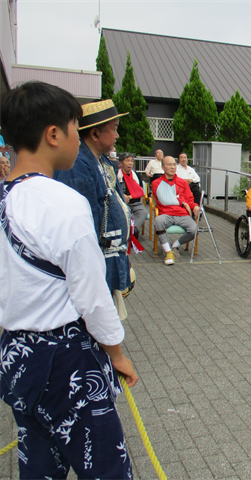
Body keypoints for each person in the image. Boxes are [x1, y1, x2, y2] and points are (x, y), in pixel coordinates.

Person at [0, 80, 137, 479]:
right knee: (107, 469)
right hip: (65, 361)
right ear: (53, 134)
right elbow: (91, 295)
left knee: (40, 464)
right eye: (76, 128)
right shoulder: (64, 203)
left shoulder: (6, 199)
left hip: (16, 357)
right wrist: (116, 353)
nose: (79, 138)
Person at [53, 99, 132, 313]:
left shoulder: (99, 161)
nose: (117, 135)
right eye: (114, 129)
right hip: (95, 267)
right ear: (96, 134)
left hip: (109, 258)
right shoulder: (78, 166)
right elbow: (85, 230)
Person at [152, 155, 200, 265]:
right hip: (166, 214)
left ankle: (175, 244)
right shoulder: (156, 183)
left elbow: (189, 199)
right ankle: (168, 251)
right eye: (169, 164)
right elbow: (164, 200)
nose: (173, 167)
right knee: (158, 221)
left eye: (174, 164)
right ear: (163, 167)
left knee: (194, 230)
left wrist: (194, 206)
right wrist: (182, 202)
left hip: (182, 214)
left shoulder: (182, 182)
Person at [118, 152, 147, 238]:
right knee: (129, 215)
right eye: (127, 161)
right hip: (123, 203)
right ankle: (132, 233)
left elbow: (141, 191)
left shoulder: (136, 175)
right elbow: (113, 189)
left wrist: (131, 196)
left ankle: (132, 230)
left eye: (131, 161)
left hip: (136, 203)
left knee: (144, 212)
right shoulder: (117, 175)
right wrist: (122, 195)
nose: (130, 163)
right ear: (120, 163)